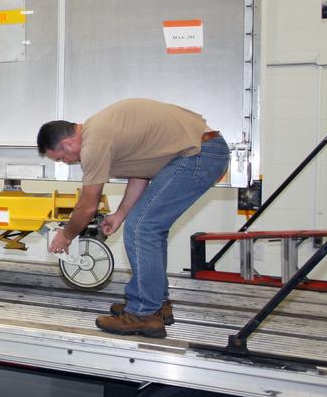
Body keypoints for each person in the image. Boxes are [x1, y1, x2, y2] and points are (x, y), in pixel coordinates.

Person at [36, 98, 229, 338]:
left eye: (61, 158)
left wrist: (65, 236)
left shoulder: (94, 143)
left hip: (199, 154)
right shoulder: (102, 129)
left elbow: (87, 206)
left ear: (66, 143)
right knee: (146, 226)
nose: (66, 162)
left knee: (142, 228)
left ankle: (144, 314)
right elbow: (141, 174)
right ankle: (156, 303)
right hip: (202, 151)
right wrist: (120, 214)